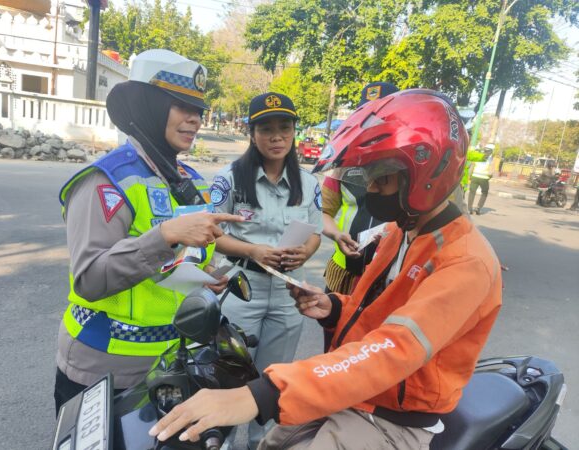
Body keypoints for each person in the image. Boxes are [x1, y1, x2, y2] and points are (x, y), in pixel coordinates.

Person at [149, 89, 503, 450]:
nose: (371, 189)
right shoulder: (402, 231)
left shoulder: (465, 263)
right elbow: (379, 313)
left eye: (382, 177)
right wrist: (335, 307)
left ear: (426, 172)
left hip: (391, 417)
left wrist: (263, 394)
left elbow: (394, 348)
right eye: (369, 177)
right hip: (351, 390)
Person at [53, 49, 243, 413]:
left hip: (171, 361)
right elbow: (90, 278)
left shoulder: (189, 181)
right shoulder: (105, 181)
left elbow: (170, 266)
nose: (195, 120)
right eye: (181, 106)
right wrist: (166, 235)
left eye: (199, 111)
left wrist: (203, 275)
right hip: (103, 368)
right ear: (149, 104)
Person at [210, 92, 323, 449]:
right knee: (230, 376)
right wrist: (253, 250)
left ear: (293, 132)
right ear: (251, 133)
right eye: (267, 129)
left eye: (284, 128)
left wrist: (303, 253)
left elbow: (316, 233)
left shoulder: (309, 185)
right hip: (242, 288)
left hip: (289, 294)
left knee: (274, 381)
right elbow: (210, 233)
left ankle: (260, 443)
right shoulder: (229, 179)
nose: (277, 137)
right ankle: (222, 442)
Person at [322, 82, 399, 296]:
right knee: (334, 326)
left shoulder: (410, 163)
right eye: (366, 114)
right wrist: (337, 234)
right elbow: (322, 212)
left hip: (389, 280)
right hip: (344, 274)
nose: (373, 122)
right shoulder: (342, 162)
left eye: (381, 115)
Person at [467, 144, 495, 215]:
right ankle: (478, 208)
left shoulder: (478, 155)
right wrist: (489, 176)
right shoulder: (491, 159)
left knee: (472, 192)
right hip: (484, 178)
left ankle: (469, 209)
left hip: (474, 177)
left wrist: (470, 176)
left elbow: (472, 166)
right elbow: (491, 171)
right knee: (484, 193)